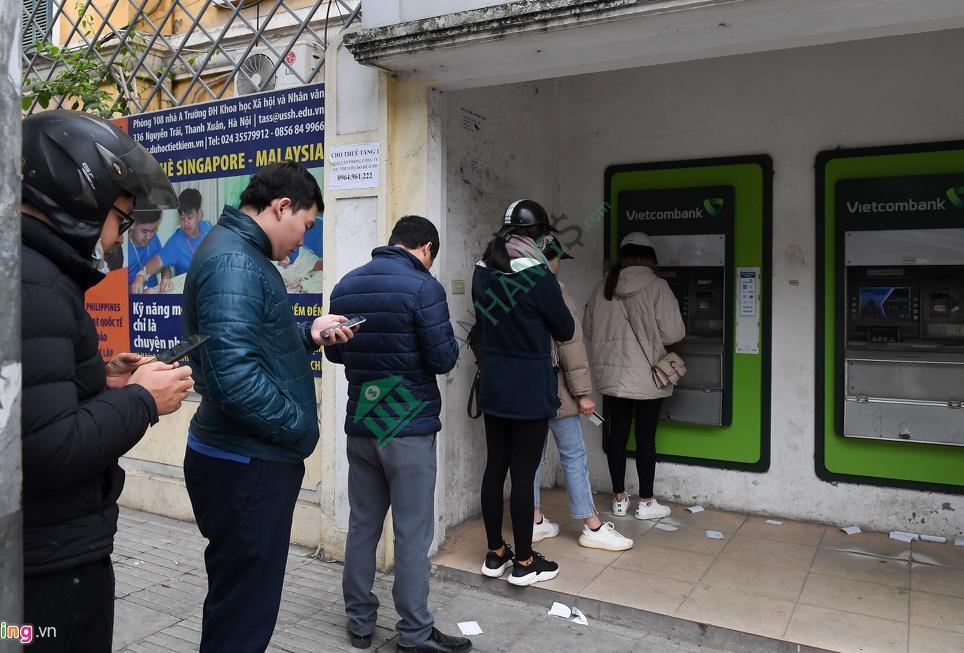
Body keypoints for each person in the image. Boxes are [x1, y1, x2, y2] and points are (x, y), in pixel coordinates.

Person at [20, 110, 195, 653]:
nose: (118, 237)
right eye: (119, 219)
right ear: (77, 202)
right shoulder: (34, 284)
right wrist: (144, 399)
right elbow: (47, 448)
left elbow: (30, 405)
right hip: (50, 577)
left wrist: (101, 380)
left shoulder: (28, 271)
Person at [181, 162, 355, 653]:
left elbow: (248, 349)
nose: (304, 238)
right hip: (246, 465)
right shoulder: (235, 263)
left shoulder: (243, 256)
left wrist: (308, 334)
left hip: (246, 460)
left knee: (240, 601)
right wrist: (298, 426)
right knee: (244, 615)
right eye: (306, 224)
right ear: (282, 208)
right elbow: (232, 378)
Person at [325, 216, 468, 653]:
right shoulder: (424, 288)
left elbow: (333, 352)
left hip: (363, 420)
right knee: (411, 533)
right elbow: (443, 358)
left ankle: (361, 624)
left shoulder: (347, 284)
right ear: (426, 248)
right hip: (407, 425)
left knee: (363, 526)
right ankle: (413, 632)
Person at [473, 200, 574, 587]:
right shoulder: (538, 275)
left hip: (495, 382)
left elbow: (484, 322)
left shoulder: (483, 270)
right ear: (539, 234)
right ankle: (525, 561)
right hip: (530, 385)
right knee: (523, 471)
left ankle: (496, 553)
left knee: (495, 466)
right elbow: (565, 330)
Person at [530, 235, 634, 552]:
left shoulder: (512, 288)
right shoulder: (556, 292)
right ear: (548, 258)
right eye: (557, 258)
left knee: (530, 458)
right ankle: (591, 525)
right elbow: (570, 345)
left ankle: (532, 521)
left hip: (524, 390)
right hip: (558, 389)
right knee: (574, 456)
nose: (559, 264)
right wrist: (583, 393)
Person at [583, 232, 685, 520]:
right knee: (645, 438)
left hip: (613, 377)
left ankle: (618, 499)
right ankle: (646, 502)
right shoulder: (658, 286)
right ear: (650, 258)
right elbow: (674, 333)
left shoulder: (604, 285)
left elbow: (588, 330)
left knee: (617, 436)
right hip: (648, 377)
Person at [131, 187, 212, 291]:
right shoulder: (176, 242)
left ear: (200, 214)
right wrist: (140, 276)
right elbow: (157, 261)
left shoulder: (208, 227)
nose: (186, 223)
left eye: (190, 217)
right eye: (182, 218)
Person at [126, 208, 170, 292]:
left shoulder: (154, 239)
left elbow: (165, 266)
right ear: (132, 224)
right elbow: (116, 292)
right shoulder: (123, 249)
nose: (149, 237)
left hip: (155, 293)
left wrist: (166, 278)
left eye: (153, 230)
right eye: (144, 231)